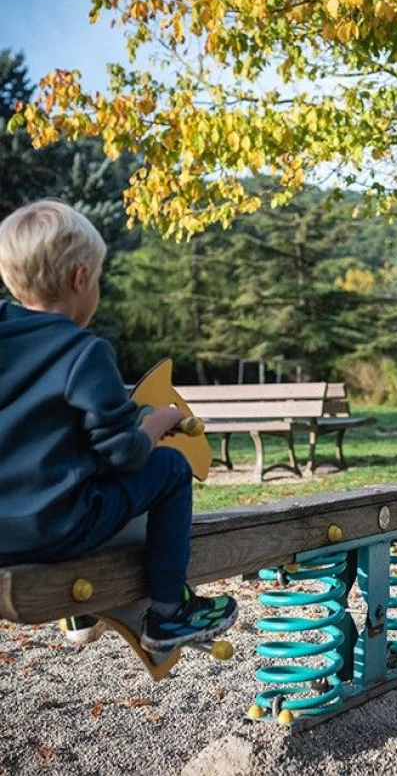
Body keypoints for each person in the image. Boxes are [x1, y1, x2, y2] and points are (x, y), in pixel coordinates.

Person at [0, 200, 238, 653]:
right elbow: (122, 453)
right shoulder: (82, 352)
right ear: (80, 279)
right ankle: (170, 613)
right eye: (99, 278)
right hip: (55, 526)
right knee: (169, 468)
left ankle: (83, 613)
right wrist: (159, 422)